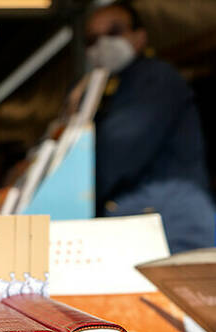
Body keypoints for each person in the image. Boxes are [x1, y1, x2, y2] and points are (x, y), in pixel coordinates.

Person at [86, 1, 215, 253]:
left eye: (113, 32)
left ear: (139, 37)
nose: (102, 44)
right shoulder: (111, 89)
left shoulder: (154, 78)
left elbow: (116, 153)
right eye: (91, 39)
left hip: (172, 222)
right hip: (146, 220)